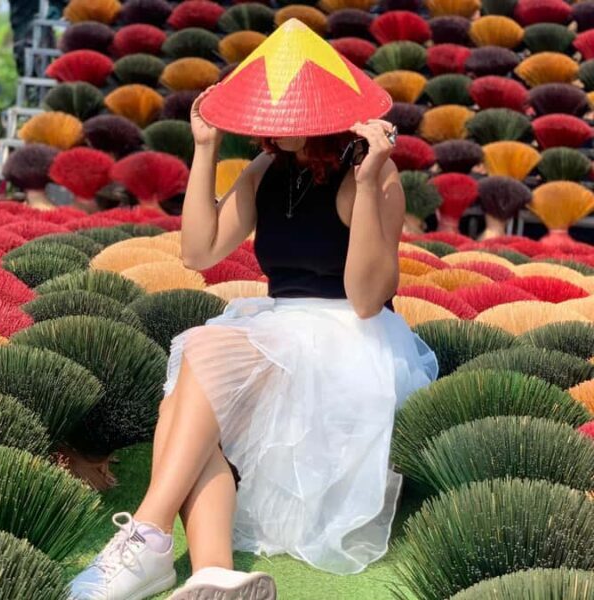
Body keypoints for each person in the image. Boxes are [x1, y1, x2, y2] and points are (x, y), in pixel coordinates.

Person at [69, 19, 438, 600]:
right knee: (181, 415)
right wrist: (206, 148)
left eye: (288, 112)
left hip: (350, 337)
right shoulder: (267, 169)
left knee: (204, 350)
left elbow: (369, 299)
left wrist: (367, 185)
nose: (275, 125)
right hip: (279, 326)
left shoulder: (372, 173)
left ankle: (147, 533)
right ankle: (214, 573)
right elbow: (199, 251)